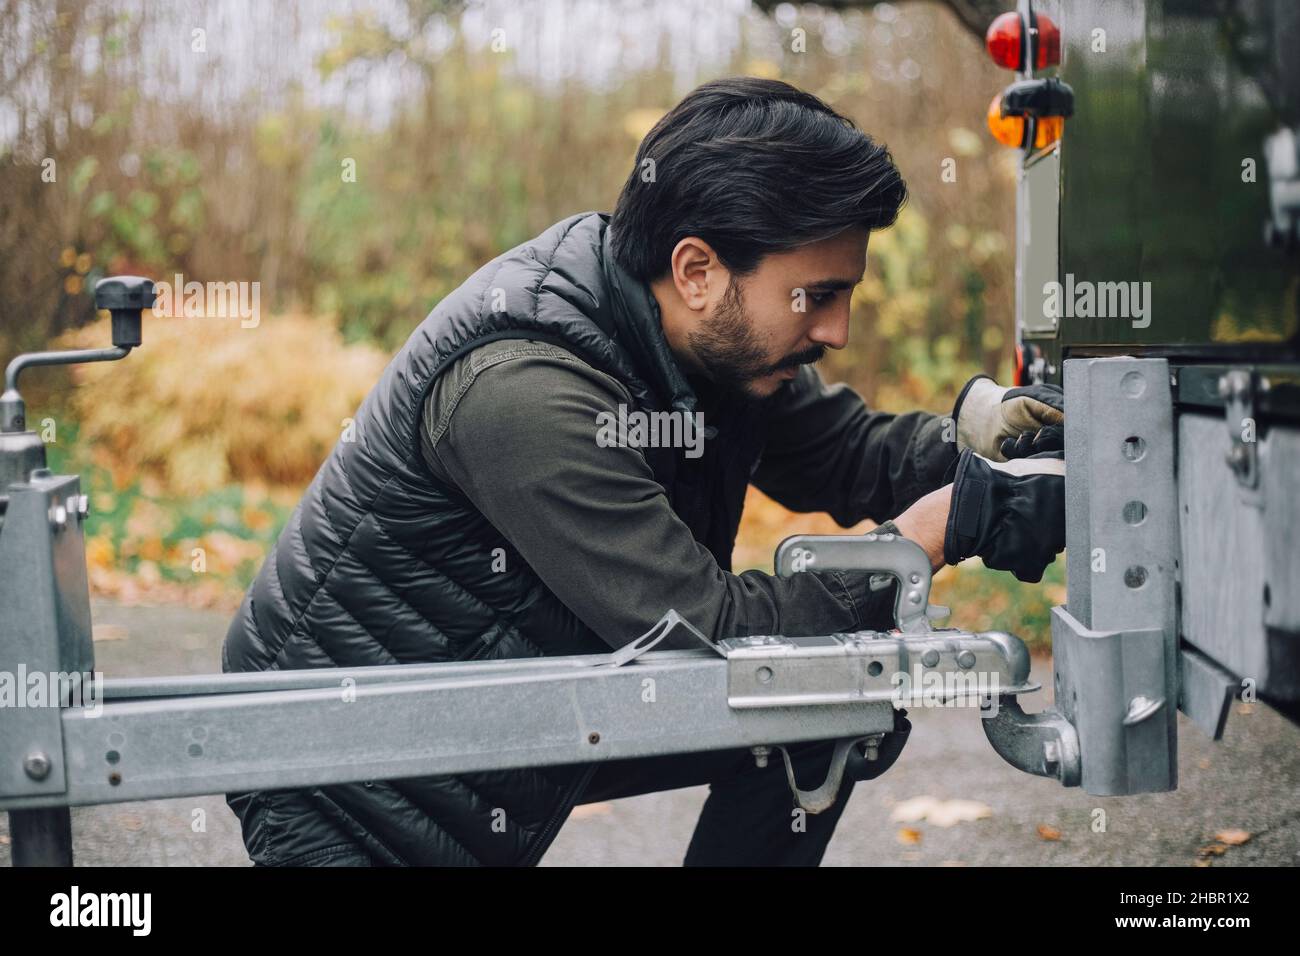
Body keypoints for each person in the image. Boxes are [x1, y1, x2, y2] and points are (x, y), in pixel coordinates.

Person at [222, 76, 1065, 867]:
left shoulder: (702, 338)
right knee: (799, 673)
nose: (838, 330)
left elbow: (846, 454)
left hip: (505, 709)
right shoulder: (523, 390)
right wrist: (934, 531)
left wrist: (985, 440)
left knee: (836, 703)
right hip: (346, 771)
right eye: (817, 296)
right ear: (699, 271)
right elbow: (712, 635)